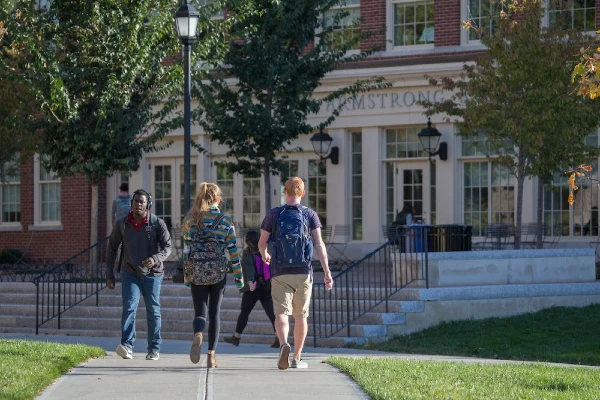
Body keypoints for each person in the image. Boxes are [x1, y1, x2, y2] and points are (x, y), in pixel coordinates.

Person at [258, 176, 333, 370]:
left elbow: (261, 242)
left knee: (281, 313)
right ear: (303, 193)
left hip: (280, 271)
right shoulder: (310, 215)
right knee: (301, 316)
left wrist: (264, 254)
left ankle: (284, 345)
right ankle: (297, 358)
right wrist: (326, 271)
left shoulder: (274, 214)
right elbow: (319, 244)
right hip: (303, 271)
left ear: (285, 192)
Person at [182, 182, 244, 367]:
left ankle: (198, 333)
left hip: (197, 272)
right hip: (218, 273)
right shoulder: (225, 221)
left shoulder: (190, 220)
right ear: (218, 198)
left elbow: (186, 251)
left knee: (200, 312)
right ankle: (211, 356)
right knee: (215, 313)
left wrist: (187, 275)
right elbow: (233, 252)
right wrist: (239, 278)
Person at [106, 189, 172, 361]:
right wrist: (109, 275)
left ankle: (154, 349)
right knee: (129, 307)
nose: (139, 204)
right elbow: (112, 249)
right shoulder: (122, 224)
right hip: (130, 272)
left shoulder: (157, 223)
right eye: (136, 201)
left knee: (153, 310)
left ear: (148, 204)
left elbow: (168, 247)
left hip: (153, 274)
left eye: (142, 202)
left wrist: (155, 258)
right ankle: (127, 346)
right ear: (131, 203)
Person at [224, 230, 279, 348]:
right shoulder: (265, 250)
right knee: (271, 313)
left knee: (244, 313)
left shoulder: (248, 252)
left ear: (247, 240)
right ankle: (279, 337)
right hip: (266, 286)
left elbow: (250, 268)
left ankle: (236, 337)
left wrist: (250, 282)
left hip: (253, 288)